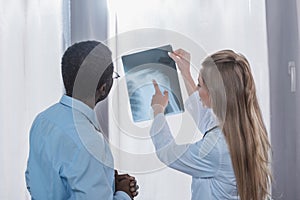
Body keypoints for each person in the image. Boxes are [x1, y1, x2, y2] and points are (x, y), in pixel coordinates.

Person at [150, 49, 272, 200]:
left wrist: (158, 110)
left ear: (215, 94)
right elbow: (204, 117)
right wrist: (185, 72)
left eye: (199, 85)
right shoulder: (245, 128)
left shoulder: (216, 148)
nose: (197, 90)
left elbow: (169, 153)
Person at [25, 41, 139, 200]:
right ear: (103, 88)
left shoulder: (43, 120)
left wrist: (105, 179)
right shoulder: (90, 142)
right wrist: (123, 194)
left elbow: (33, 180)